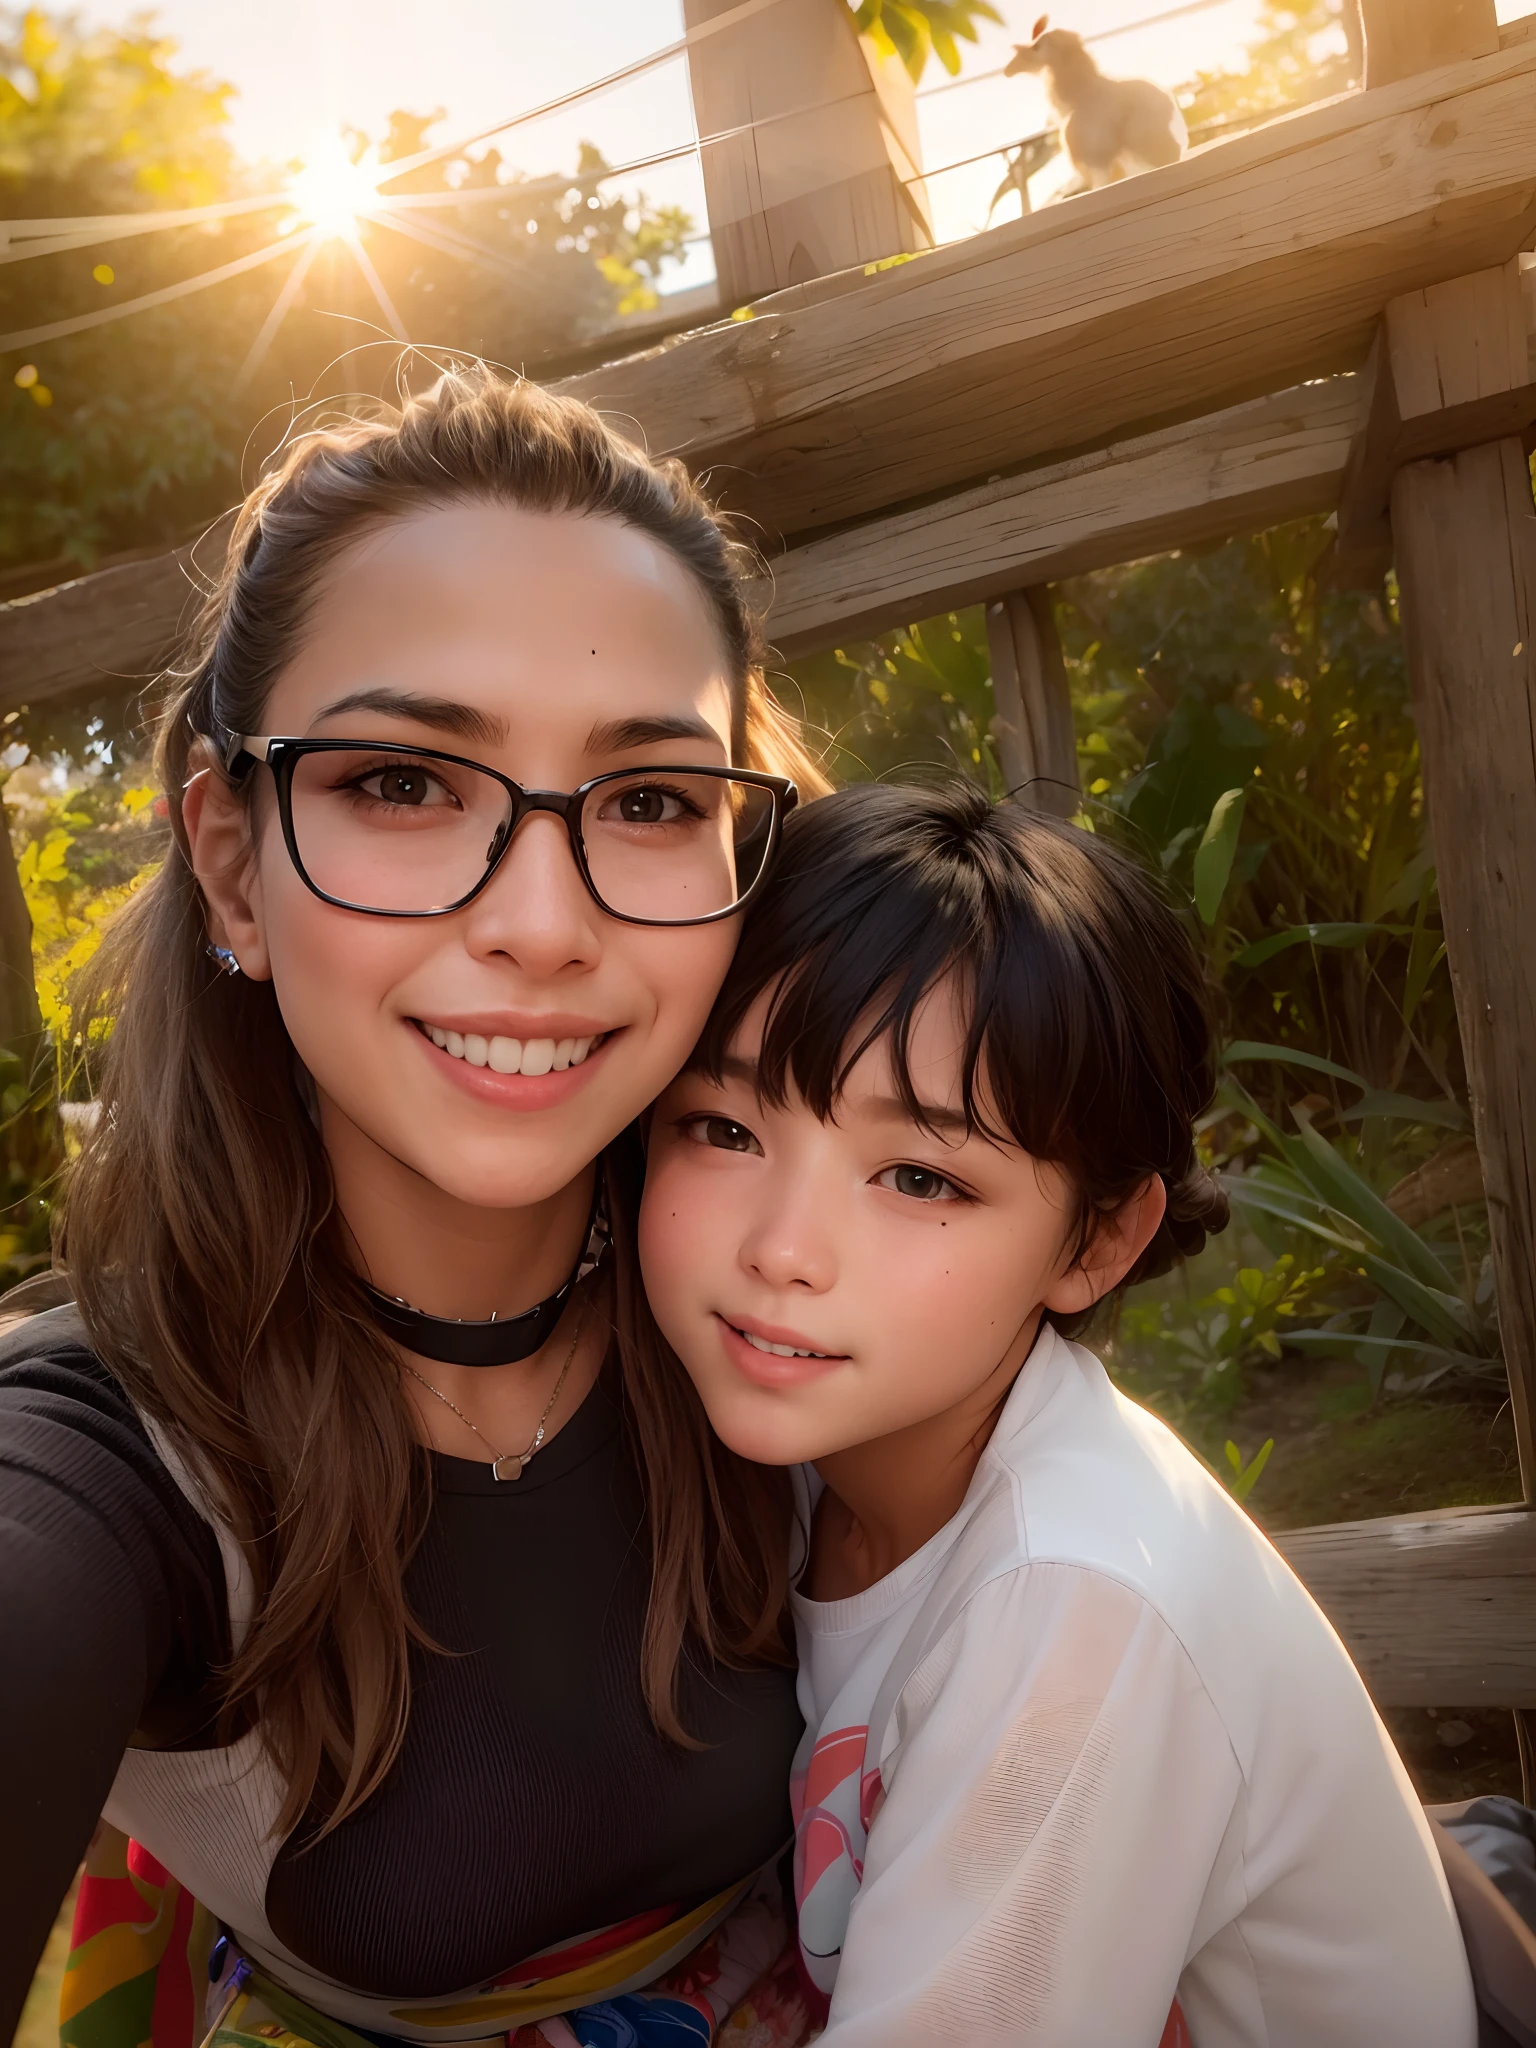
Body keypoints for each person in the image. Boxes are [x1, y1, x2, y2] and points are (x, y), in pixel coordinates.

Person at [0, 365, 829, 2048]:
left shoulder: (811, 1277)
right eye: (401, 781)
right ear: (231, 862)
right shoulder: (107, 1468)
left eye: (652, 799)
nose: (540, 921)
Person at [638, 779, 1478, 2048]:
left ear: (1096, 1239)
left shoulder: (1071, 1607)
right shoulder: (826, 1462)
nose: (784, 1248)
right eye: (722, 1125)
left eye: (919, 1174)